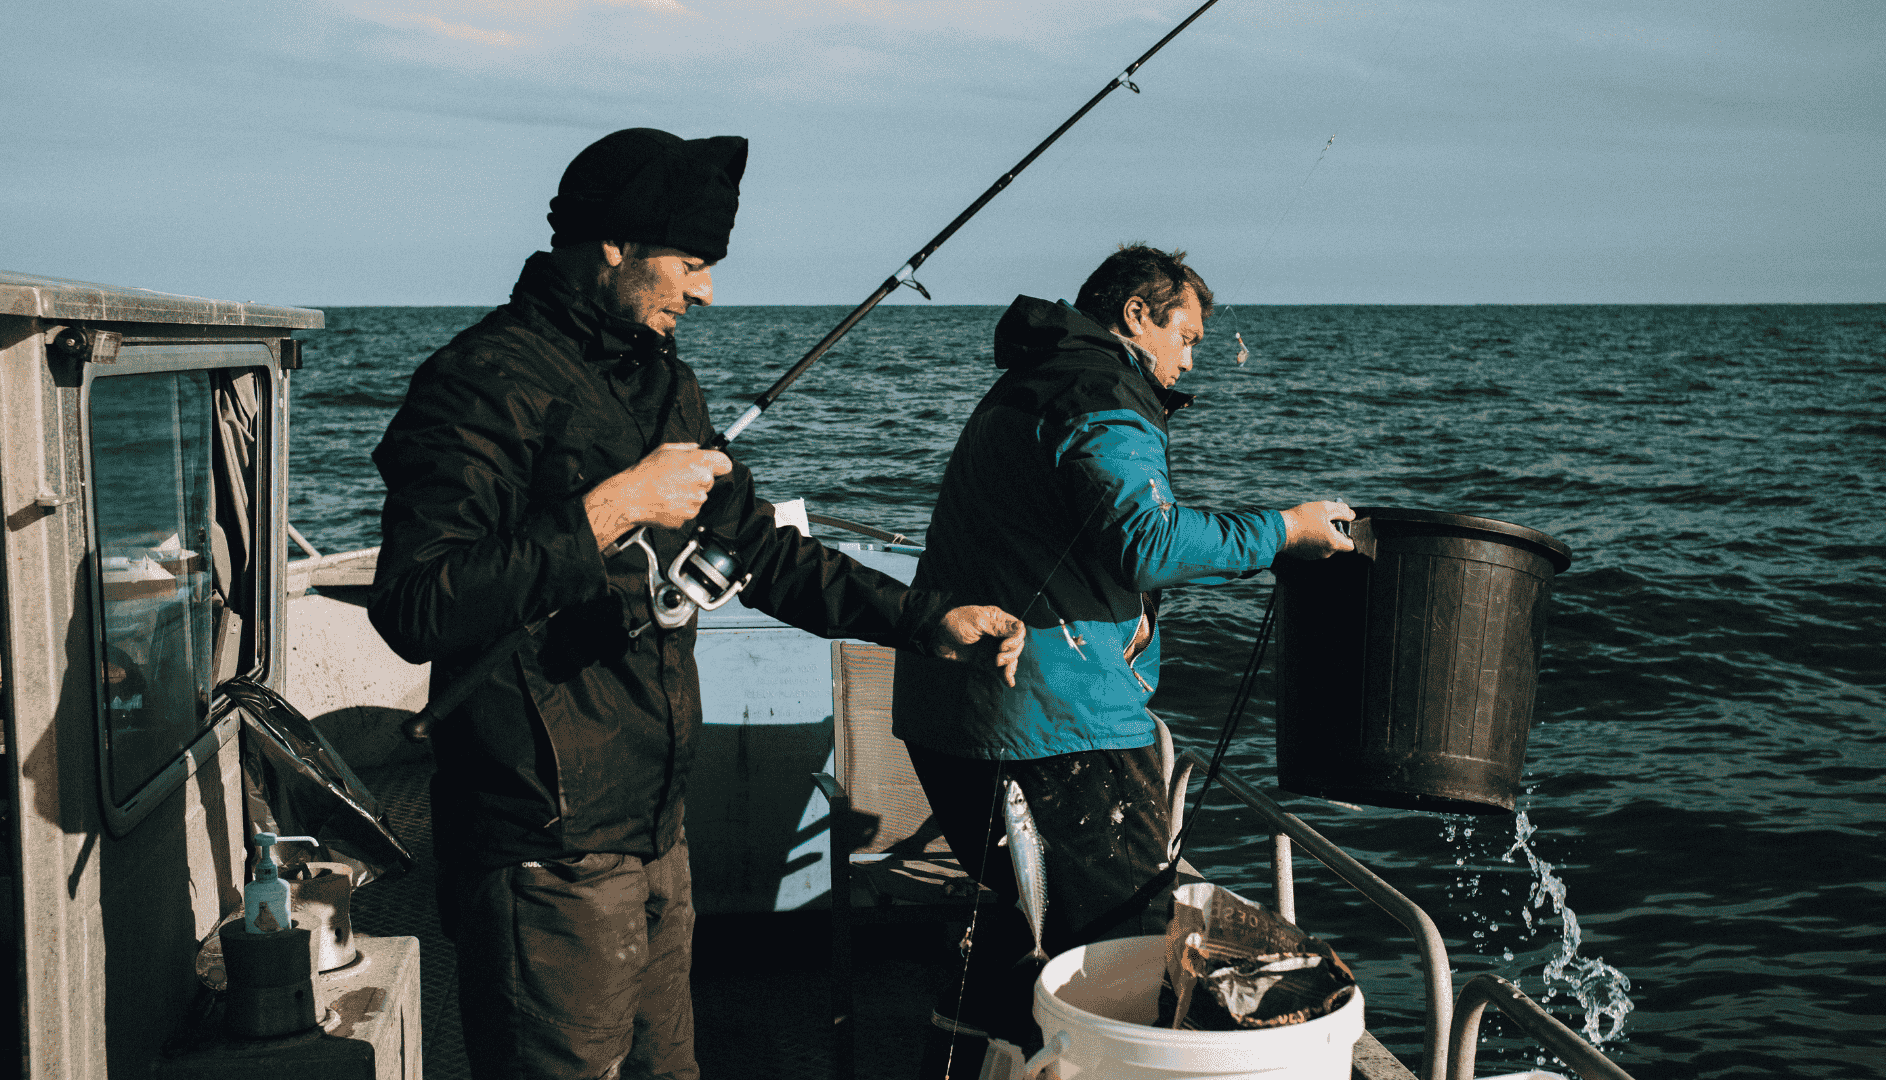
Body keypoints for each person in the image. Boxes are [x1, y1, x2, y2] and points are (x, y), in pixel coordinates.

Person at [367, 127, 1026, 1080]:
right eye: (689, 262)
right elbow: (417, 604)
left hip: (656, 824)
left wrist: (931, 620)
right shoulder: (479, 383)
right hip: (542, 847)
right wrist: (613, 506)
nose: (706, 290)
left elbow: (759, 551)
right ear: (611, 245)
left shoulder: (660, 380)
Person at [891, 244, 1354, 1075]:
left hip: (958, 715)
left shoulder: (1034, 383)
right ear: (1138, 316)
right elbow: (1145, 539)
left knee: (1012, 928)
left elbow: (1063, 542)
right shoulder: (1100, 390)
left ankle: (963, 1061)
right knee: (1121, 950)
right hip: (1048, 727)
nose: (1191, 356)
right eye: (1189, 335)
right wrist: (1285, 529)